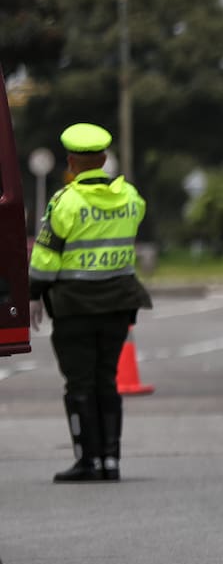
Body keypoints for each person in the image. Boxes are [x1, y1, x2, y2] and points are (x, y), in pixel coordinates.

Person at [28, 123, 152, 483]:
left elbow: (45, 258)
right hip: (118, 305)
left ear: (70, 162)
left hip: (74, 308)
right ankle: (111, 460)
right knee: (107, 380)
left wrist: (34, 294)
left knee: (80, 384)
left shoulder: (65, 202)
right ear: (103, 159)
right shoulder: (129, 197)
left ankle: (87, 460)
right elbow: (135, 220)